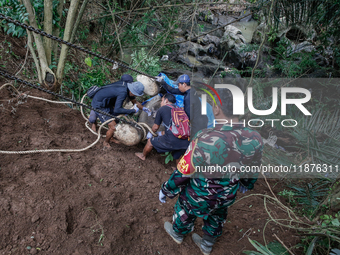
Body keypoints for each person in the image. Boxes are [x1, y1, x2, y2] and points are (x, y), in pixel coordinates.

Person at [158, 87, 263, 255]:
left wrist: (167, 189)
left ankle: (177, 233)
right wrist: (246, 183)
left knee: (185, 207)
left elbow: (184, 172)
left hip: (198, 194)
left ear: (216, 108)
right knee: (218, 214)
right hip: (226, 195)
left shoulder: (204, 137)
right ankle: (207, 245)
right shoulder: (255, 138)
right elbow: (253, 167)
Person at [88, 74, 151, 148]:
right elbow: (117, 110)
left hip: (106, 103)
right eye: (136, 94)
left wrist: (144, 108)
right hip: (99, 105)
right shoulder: (123, 92)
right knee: (114, 127)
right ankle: (106, 142)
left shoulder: (128, 87)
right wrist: (132, 111)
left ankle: (111, 137)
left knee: (116, 119)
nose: (136, 96)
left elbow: (135, 102)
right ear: (132, 92)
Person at [135, 93, 190, 164]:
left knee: (150, 142)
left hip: (172, 140)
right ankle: (178, 170)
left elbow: (155, 127)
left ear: (166, 100)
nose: (161, 103)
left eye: (161, 100)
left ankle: (142, 156)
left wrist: (150, 133)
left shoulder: (163, 109)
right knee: (178, 155)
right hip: (186, 142)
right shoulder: (180, 110)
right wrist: (161, 133)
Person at [157, 74, 208, 138]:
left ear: (184, 84)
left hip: (198, 124)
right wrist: (163, 82)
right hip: (203, 119)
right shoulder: (191, 90)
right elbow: (172, 90)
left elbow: (188, 117)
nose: (178, 87)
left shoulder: (188, 98)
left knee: (193, 141)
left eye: (179, 85)